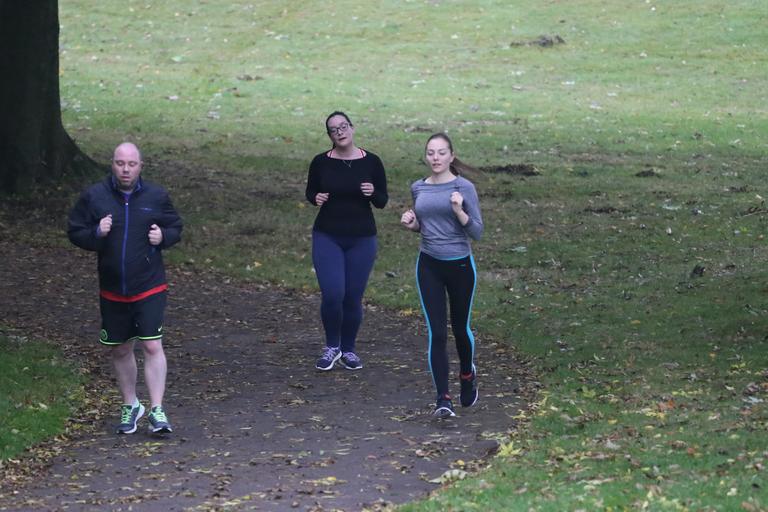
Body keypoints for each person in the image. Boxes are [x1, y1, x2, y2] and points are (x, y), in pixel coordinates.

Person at [68, 142, 183, 435]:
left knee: (152, 344)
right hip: (112, 288)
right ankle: (131, 404)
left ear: (140, 166)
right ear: (112, 164)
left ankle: (157, 409)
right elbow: (75, 231)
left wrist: (163, 236)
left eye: (131, 164)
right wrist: (97, 232)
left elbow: (175, 227)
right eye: (120, 163)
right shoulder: (95, 196)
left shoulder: (156, 196)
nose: (126, 169)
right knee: (120, 349)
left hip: (149, 285)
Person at [400, 133, 483, 418]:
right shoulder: (418, 188)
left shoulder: (464, 187)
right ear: (426, 156)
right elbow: (426, 226)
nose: (435, 158)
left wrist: (459, 211)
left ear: (451, 156)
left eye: (441, 153)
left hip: (460, 266)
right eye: (431, 153)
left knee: (460, 329)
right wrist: (413, 225)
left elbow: (477, 231)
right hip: (429, 265)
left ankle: (467, 374)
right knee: (436, 333)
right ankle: (443, 399)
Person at [305, 111, 388, 371]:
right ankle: (332, 346)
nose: (339, 132)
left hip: (362, 238)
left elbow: (382, 200)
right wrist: (315, 198)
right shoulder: (321, 162)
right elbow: (311, 191)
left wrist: (373, 192)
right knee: (333, 294)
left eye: (343, 126)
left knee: (352, 297)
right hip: (328, 235)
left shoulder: (371, 161)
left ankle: (348, 350)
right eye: (334, 129)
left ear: (352, 128)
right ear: (329, 135)